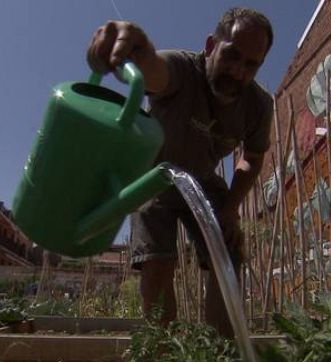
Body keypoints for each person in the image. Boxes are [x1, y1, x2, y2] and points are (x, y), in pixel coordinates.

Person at [86, 8, 274, 337]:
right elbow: (154, 72)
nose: (238, 71)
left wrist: (230, 208)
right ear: (211, 45)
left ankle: (221, 355)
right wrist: (138, 52)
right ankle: (165, 360)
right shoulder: (182, 69)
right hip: (152, 176)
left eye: (251, 65)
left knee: (227, 255)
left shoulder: (257, 105)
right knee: (157, 263)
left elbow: (253, 157)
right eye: (232, 55)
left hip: (201, 181)